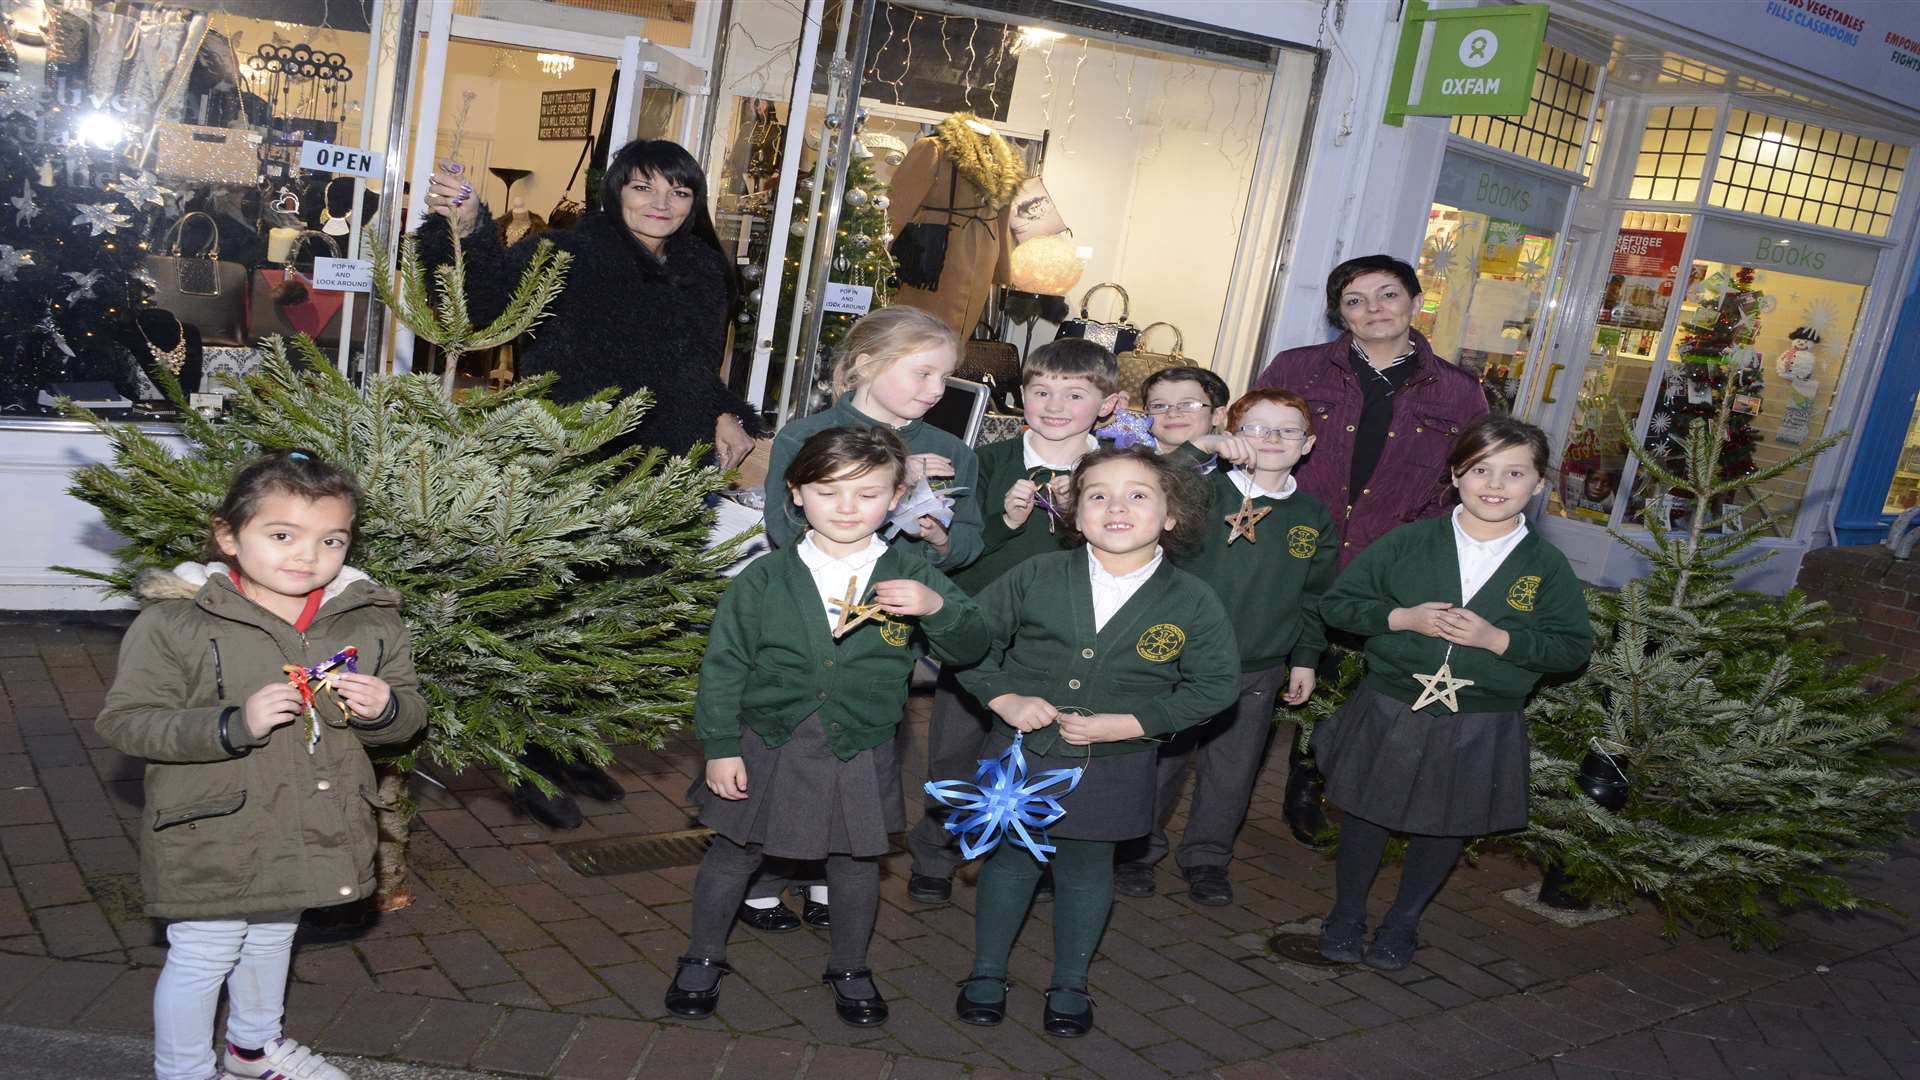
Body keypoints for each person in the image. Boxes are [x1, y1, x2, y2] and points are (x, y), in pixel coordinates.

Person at [420, 139, 759, 828]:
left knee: (618, 619)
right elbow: (485, 306)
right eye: (643, 188)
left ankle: (570, 742)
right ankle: (525, 759)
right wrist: (467, 228)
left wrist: (727, 409)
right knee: (549, 612)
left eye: (679, 191)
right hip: (576, 458)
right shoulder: (567, 253)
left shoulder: (701, 266)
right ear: (615, 193)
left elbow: (694, 357)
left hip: (665, 460)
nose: (661, 203)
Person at [96, 450, 428, 1080]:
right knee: (205, 952)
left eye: (331, 539)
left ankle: (252, 1050)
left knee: (276, 934)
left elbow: (409, 714)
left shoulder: (369, 619)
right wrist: (231, 724)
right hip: (215, 822)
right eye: (282, 535)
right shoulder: (178, 622)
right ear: (229, 536)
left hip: (311, 814)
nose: (308, 555)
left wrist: (386, 708)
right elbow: (126, 721)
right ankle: (184, 1070)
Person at [664, 426, 990, 1026]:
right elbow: (724, 667)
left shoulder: (910, 572)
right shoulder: (763, 579)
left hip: (859, 745)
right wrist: (719, 748)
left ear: (896, 498)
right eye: (828, 491)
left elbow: (971, 644)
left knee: (856, 861)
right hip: (768, 738)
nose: (847, 508)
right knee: (736, 851)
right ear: (795, 492)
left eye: (867, 494)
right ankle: (703, 954)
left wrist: (936, 607)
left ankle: (849, 964)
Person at [954, 448, 1239, 1038]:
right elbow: (971, 641)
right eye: (1098, 495)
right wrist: (1002, 697)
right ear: (1075, 516)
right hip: (1022, 756)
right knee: (1010, 863)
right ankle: (986, 970)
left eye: (1139, 494)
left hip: (1114, 763)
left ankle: (1070, 981)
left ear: (1170, 516)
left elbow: (1216, 686)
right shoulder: (1035, 574)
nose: (1117, 506)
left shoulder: (1191, 599)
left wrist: (1135, 722)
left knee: (1088, 869)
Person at [1313, 417, 1591, 971]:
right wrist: (1401, 618)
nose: (1495, 484)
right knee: (1367, 811)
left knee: (1446, 821)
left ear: (1538, 485)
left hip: (1480, 718)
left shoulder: (1546, 566)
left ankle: (1404, 920)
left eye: (1515, 473)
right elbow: (1338, 605)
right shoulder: (1410, 541)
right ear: (1456, 474)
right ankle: (1346, 913)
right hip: (1393, 703)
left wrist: (1500, 639)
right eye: (1481, 469)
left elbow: (1570, 649)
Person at [742, 305, 985, 929]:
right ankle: (765, 870)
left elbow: (970, 543)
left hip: (888, 626)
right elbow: (783, 524)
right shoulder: (806, 435)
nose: (936, 392)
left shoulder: (952, 450)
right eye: (923, 374)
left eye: (944, 379)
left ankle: (832, 871)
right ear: (867, 364)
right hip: (808, 612)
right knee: (791, 739)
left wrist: (937, 537)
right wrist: (891, 475)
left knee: (864, 742)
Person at [1253, 254, 1490, 844]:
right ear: (1339, 312)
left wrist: (1426, 549)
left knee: (1340, 683)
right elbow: (1253, 443)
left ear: (1414, 301)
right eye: (1356, 300)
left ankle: (1309, 784)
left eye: (1387, 295)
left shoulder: (1459, 392)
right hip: (1289, 550)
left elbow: (1469, 479)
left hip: (1385, 565)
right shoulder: (1298, 369)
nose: (1373, 309)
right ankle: (1230, 786)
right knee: (1259, 676)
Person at [905, 338, 1122, 904]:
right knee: (956, 748)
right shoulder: (988, 462)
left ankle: (1027, 852)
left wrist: (1085, 515)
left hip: (1065, 636)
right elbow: (957, 551)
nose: (1055, 405)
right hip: (981, 633)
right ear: (1021, 395)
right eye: (1041, 391)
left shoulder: (1112, 475)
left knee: (1041, 751)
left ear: (1106, 404)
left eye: (1075, 394)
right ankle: (938, 850)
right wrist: (1003, 521)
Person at [1114, 389, 1339, 905]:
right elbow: (1152, 480)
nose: (1274, 439)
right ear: (1235, 435)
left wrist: (1304, 656)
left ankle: (1208, 857)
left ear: (1308, 445)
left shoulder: (1312, 515)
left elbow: (1315, 594)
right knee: (1162, 761)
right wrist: (1203, 446)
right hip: (1179, 661)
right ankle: (1137, 850)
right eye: (1258, 428)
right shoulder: (1204, 491)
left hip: (1257, 667)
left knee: (1233, 772)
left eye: (1288, 430)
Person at [1140, 367, 1230, 455]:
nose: (1172, 413)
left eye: (1187, 404)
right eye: (1159, 406)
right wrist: (1198, 447)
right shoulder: (1130, 455)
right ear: (1146, 413)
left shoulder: (1234, 467)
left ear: (1217, 415)